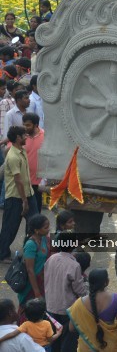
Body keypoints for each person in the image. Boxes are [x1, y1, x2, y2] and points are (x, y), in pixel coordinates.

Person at [44, 229, 87, 352]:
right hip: (67, 309)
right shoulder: (74, 265)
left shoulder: (51, 259)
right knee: (68, 342)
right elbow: (79, 290)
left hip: (51, 306)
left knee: (54, 339)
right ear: (74, 244)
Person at [66, 268, 117, 352]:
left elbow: (71, 328)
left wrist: (88, 330)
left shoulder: (79, 304)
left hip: (86, 348)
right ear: (107, 282)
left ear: (89, 283)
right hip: (111, 346)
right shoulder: (116, 299)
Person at [0, 125, 35, 260]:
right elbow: (18, 180)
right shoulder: (14, 156)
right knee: (10, 227)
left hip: (29, 194)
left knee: (35, 223)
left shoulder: (21, 150)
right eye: (24, 135)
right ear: (18, 138)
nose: (26, 137)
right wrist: (24, 201)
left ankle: (31, 250)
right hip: (16, 197)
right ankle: (3, 254)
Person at [20, 214, 49, 308]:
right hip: (31, 284)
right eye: (46, 228)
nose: (48, 229)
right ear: (37, 230)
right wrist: (36, 292)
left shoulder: (44, 239)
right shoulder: (30, 245)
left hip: (42, 281)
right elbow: (30, 270)